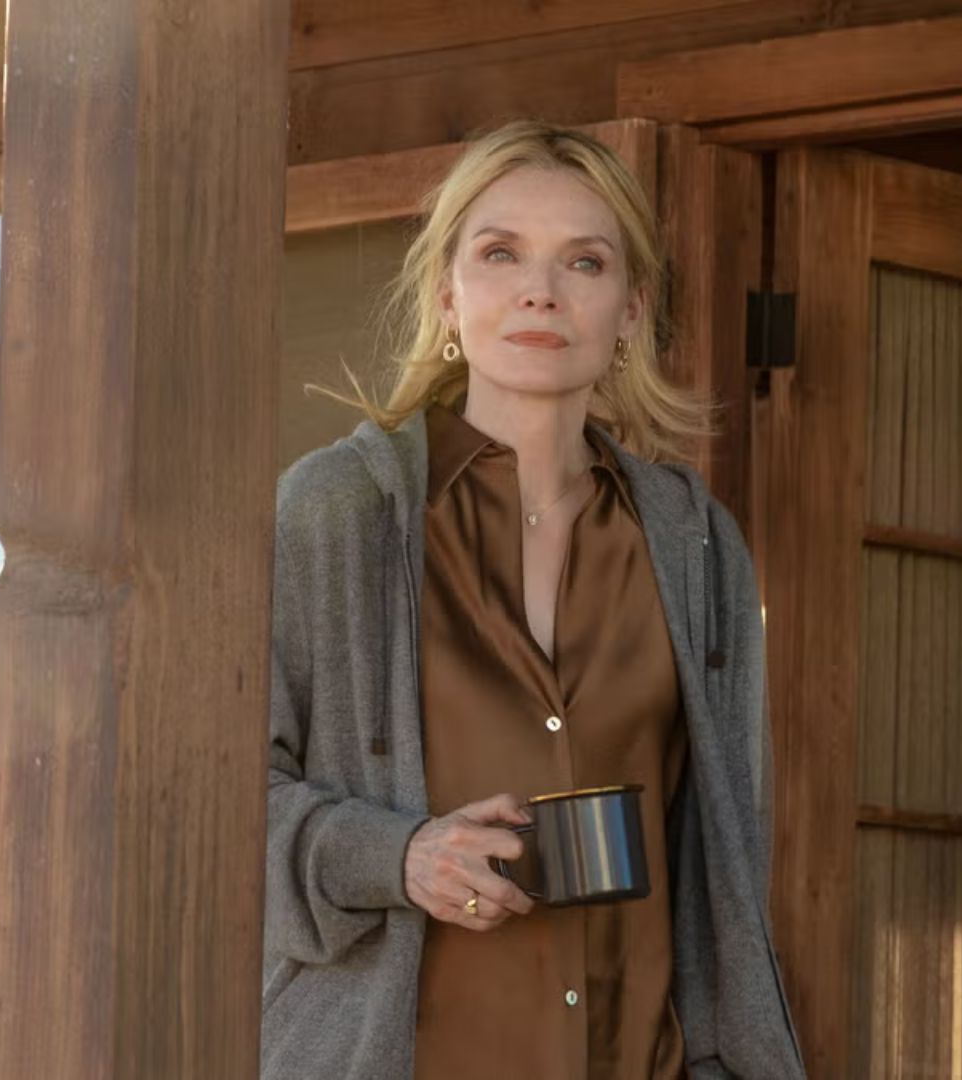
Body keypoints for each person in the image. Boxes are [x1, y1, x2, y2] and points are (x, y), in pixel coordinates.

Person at [260, 120, 803, 1080]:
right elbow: (224, 802)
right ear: (446, 293)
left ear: (632, 308)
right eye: (500, 252)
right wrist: (399, 856)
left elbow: (726, 852)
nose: (539, 290)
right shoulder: (335, 510)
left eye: (584, 262)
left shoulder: (698, 541)